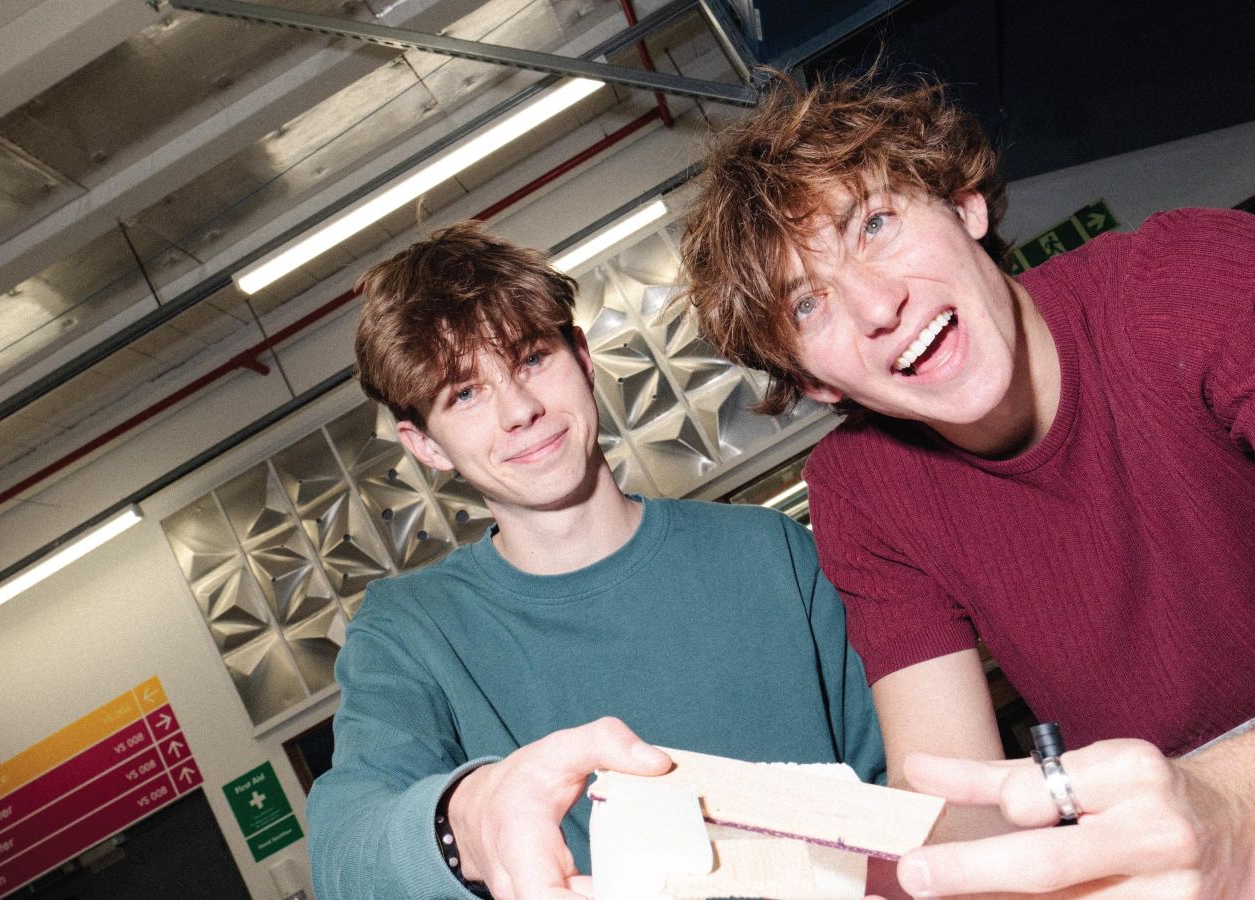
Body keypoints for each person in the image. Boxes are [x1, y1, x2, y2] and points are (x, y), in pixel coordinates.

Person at [678, 69, 1255, 898]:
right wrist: (745, 855)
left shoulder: (1191, 277)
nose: (875, 305)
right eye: (807, 305)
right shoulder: (862, 490)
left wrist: (1237, 797)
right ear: (813, 383)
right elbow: (953, 802)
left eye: (875, 224)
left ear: (964, 204)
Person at [305, 221, 886, 900]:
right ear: (426, 446)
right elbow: (346, 854)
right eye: (463, 394)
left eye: (531, 359)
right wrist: (475, 816)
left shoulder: (768, 551)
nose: (519, 409)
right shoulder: (409, 632)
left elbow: (898, 787)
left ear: (582, 358)